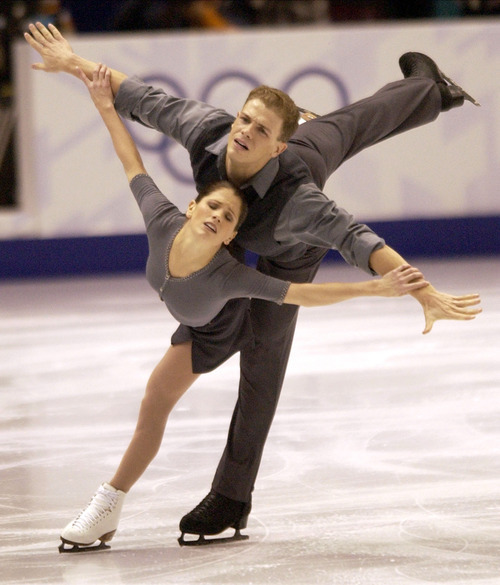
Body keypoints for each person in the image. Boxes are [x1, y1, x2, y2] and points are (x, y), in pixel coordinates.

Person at [25, 22, 481, 547]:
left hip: (289, 245)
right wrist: (74, 62)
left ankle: (232, 498)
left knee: (264, 355)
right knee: (346, 124)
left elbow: (357, 239)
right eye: (245, 120)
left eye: (260, 131)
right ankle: (428, 87)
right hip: (234, 229)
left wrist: (419, 291)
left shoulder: (299, 197)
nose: (244, 133)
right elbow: (138, 98)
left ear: (276, 145)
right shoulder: (209, 130)